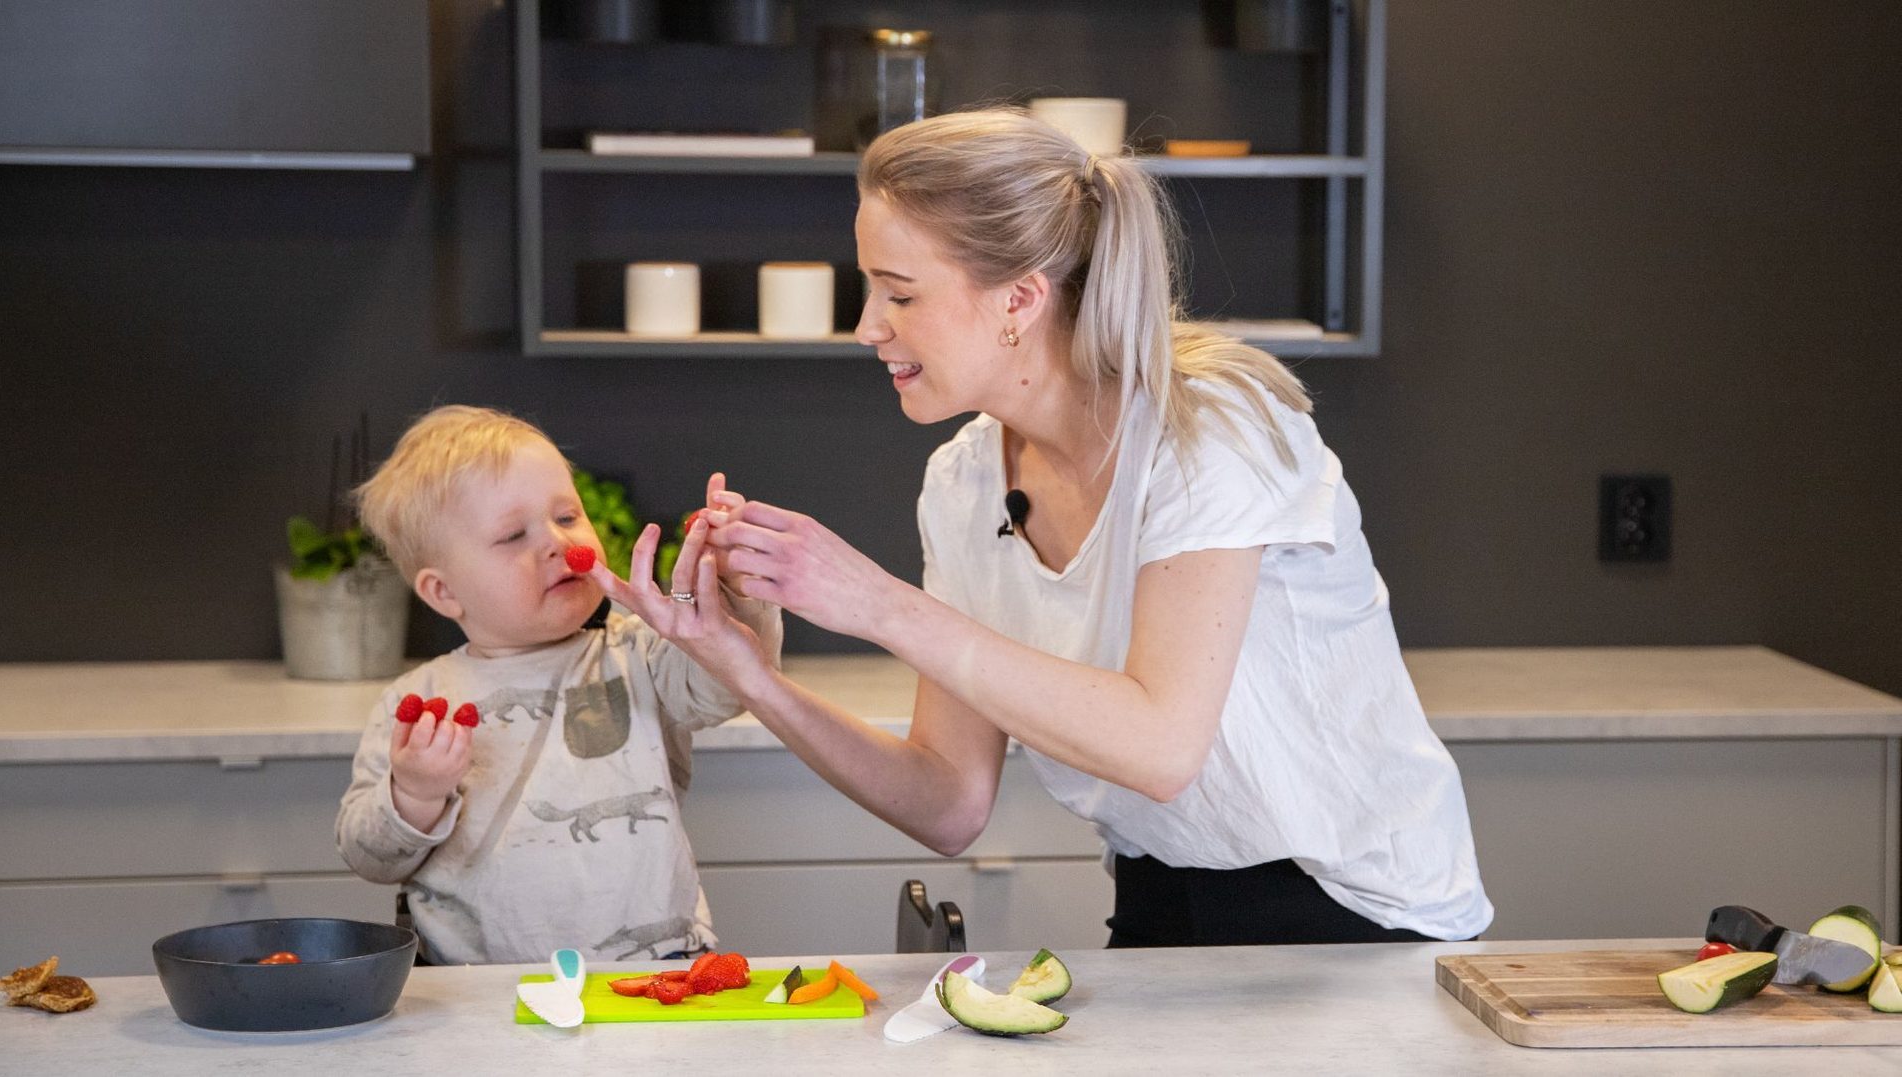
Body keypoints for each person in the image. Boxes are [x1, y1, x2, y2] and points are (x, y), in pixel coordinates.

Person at [610, 109, 1492, 946]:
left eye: (899, 293)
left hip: (1359, 910)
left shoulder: (1209, 427)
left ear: (1019, 300)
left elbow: (1159, 747)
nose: (867, 326)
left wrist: (875, 603)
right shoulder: (963, 482)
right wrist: (751, 676)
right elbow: (947, 800)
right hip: (1159, 888)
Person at [334, 405, 781, 964]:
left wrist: (734, 587)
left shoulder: (635, 653)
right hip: (473, 992)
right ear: (444, 593)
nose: (553, 541)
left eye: (567, 517)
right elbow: (369, 858)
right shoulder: (416, 706)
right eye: (511, 536)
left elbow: (732, 683)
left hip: (652, 974)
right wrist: (414, 794)